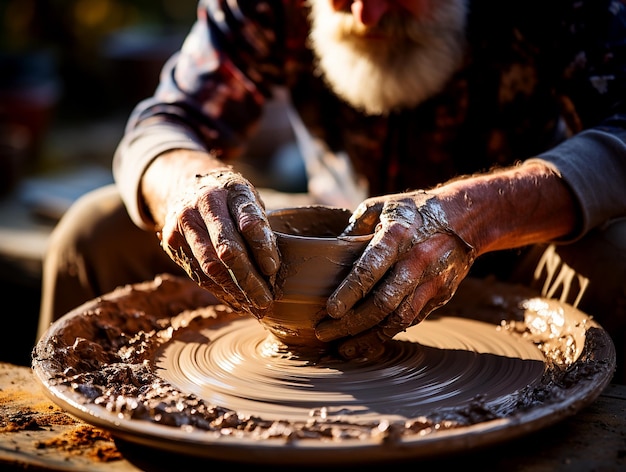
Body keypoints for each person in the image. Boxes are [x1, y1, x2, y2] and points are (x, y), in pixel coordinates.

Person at [40, 0, 626, 377]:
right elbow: (163, 122)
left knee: (618, 259)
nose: (368, 15)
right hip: (325, 250)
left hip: (509, 249)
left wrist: (471, 217)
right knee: (96, 231)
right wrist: (188, 183)